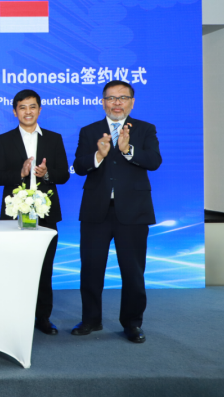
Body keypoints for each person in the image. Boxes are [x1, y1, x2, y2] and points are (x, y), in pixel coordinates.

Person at [71, 80, 161, 343]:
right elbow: (79, 166)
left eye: (123, 98)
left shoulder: (145, 129)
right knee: (91, 269)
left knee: (133, 272)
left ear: (132, 102)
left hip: (133, 212)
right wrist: (98, 155)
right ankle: (91, 319)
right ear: (103, 103)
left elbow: (154, 161)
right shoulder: (89, 131)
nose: (117, 103)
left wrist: (127, 150)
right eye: (111, 98)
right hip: (95, 211)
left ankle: (132, 323)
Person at [0, 89, 70, 335]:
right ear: (15, 112)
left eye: (32, 106)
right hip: (14, 214)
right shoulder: (4, 140)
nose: (28, 111)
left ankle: (43, 317)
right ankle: (14, 316)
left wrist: (46, 174)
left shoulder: (54, 139)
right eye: (22, 107)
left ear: (40, 110)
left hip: (45, 213)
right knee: (13, 266)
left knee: (44, 267)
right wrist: (21, 173)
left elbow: (64, 175)